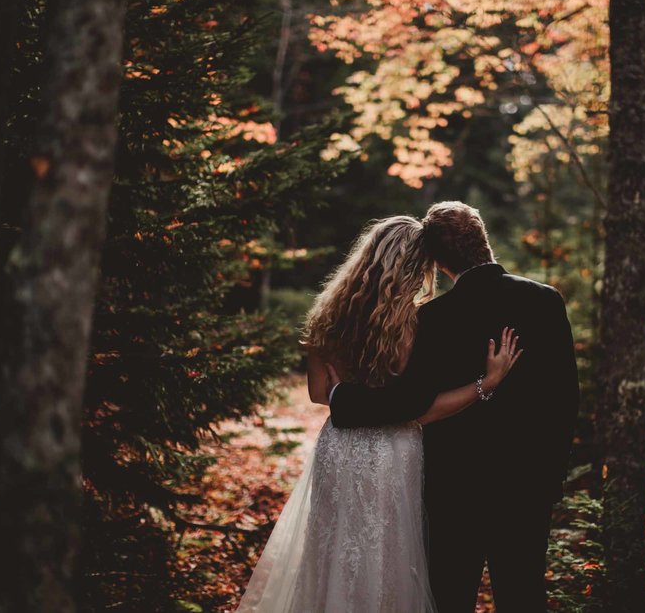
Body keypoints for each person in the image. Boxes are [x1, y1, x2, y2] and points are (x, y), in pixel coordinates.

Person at [235, 215, 522, 613]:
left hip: (339, 447)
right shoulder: (414, 325)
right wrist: (484, 385)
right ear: (415, 267)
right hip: (391, 450)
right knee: (385, 557)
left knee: (332, 554)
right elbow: (418, 410)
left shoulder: (328, 315)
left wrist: (345, 393)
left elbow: (320, 393)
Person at [327, 201, 580, 612]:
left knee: (450, 597)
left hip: (454, 489)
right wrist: (550, 476)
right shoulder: (545, 301)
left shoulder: (435, 318)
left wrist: (344, 400)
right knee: (523, 595)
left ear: (437, 261)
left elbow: (410, 402)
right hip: (529, 485)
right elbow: (566, 399)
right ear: (483, 239)